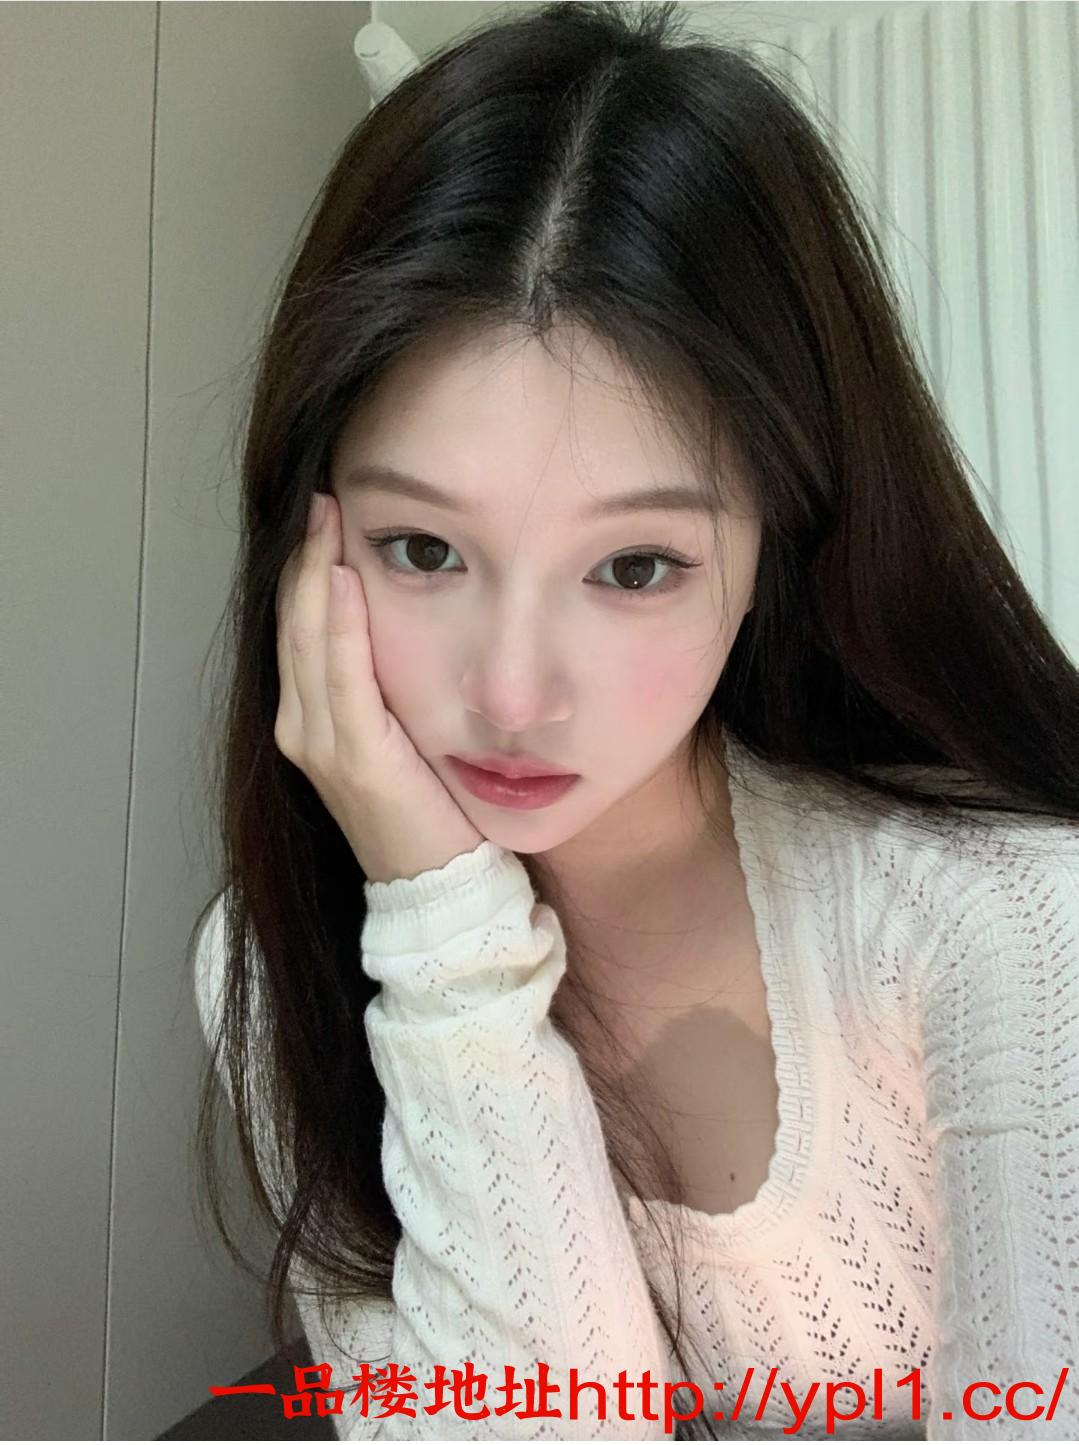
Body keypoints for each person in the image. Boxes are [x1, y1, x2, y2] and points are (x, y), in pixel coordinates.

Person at [189, 2, 1079, 1438]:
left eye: (635, 567)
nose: (512, 692)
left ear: (773, 552)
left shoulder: (1011, 921)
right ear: (310, 533)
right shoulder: (273, 962)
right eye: (424, 548)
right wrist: (441, 935)